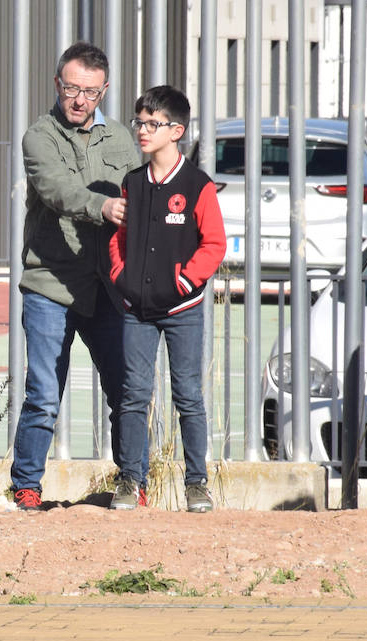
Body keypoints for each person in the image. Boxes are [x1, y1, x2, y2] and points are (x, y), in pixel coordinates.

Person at [11, 41, 143, 511]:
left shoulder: (123, 140)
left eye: (89, 91)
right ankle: (26, 487)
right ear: (57, 85)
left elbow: (142, 194)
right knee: (44, 394)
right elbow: (56, 189)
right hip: (50, 283)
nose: (79, 99)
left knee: (127, 389)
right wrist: (102, 205)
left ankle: (134, 484)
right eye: (71, 88)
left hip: (109, 286)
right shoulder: (39, 137)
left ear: (104, 89)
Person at [106, 86, 224, 513]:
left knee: (188, 395)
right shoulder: (133, 183)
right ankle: (129, 481)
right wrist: (121, 274)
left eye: (152, 124)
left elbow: (214, 245)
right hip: (136, 310)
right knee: (134, 394)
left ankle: (196, 483)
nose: (142, 130)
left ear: (176, 131)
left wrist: (183, 282)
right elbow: (118, 240)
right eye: (139, 122)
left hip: (182, 310)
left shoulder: (196, 185)